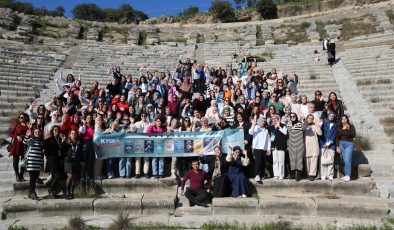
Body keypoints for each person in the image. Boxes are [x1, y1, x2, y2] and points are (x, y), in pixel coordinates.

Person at [43, 125, 65, 198]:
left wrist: (63, 141)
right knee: (56, 175)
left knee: (57, 175)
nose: (56, 131)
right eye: (55, 130)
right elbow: (44, 148)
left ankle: (53, 192)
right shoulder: (49, 139)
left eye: (58, 130)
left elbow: (62, 149)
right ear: (52, 131)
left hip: (59, 160)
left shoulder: (60, 139)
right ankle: (51, 189)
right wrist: (49, 157)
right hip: (52, 160)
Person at [23, 127, 44, 200]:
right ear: (33, 133)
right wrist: (27, 135)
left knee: (35, 177)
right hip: (31, 162)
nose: (37, 133)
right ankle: (33, 193)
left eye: (38, 132)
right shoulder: (32, 140)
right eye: (36, 132)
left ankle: (30, 193)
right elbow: (25, 141)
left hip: (37, 162)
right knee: (32, 178)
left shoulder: (41, 141)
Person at [249, 117, 270, 183]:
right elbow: (250, 132)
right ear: (259, 121)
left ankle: (261, 175)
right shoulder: (256, 127)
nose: (263, 122)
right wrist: (253, 124)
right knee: (258, 161)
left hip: (264, 148)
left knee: (263, 162)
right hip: (257, 148)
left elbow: (268, 140)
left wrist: (268, 149)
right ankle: (257, 175)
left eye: (264, 121)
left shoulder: (266, 130)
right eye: (262, 121)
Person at [63, 129, 83, 199]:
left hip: (76, 162)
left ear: (76, 135)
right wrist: (63, 142)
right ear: (70, 134)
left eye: (75, 133)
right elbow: (62, 150)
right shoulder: (66, 143)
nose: (73, 135)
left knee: (75, 177)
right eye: (72, 133)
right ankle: (67, 192)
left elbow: (81, 153)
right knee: (70, 176)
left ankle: (72, 191)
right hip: (68, 162)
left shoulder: (79, 143)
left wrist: (82, 161)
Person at [9, 113, 29, 182]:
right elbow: (11, 134)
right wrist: (16, 136)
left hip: (25, 144)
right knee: (16, 160)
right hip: (17, 144)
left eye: (22, 117)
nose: (20, 118)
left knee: (24, 161)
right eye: (20, 117)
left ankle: (21, 175)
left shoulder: (28, 125)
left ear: (26, 118)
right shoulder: (17, 125)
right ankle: (17, 175)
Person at [336, 115, 356, 182]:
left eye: (345, 119)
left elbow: (354, 135)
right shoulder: (339, 127)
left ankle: (348, 175)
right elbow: (337, 138)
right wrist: (337, 146)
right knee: (344, 160)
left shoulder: (351, 126)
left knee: (347, 160)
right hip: (341, 144)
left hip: (349, 144)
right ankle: (346, 175)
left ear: (347, 119)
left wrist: (348, 129)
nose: (344, 120)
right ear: (341, 120)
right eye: (342, 119)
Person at [287, 112, 305, 181]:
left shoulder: (300, 124)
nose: (292, 117)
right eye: (291, 117)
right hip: (291, 146)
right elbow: (288, 136)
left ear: (296, 117)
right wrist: (287, 145)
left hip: (300, 145)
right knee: (292, 160)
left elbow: (305, 127)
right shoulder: (288, 125)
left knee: (299, 160)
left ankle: (299, 176)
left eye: (294, 116)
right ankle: (292, 175)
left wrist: (304, 119)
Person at [319, 112, 337, 181]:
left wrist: (330, 142)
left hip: (331, 145)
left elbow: (335, 135)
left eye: (332, 116)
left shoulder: (335, 125)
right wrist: (320, 124)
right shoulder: (324, 123)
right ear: (328, 116)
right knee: (323, 161)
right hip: (323, 144)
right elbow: (320, 132)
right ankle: (323, 175)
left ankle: (330, 175)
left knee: (330, 160)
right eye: (330, 116)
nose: (331, 117)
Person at [269, 114, 287, 180]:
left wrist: (279, 126)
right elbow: (271, 137)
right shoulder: (271, 127)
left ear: (278, 119)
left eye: (275, 118)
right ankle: (276, 175)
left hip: (281, 145)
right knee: (275, 161)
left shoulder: (283, 125)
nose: (274, 120)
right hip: (274, 146)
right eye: (273, 119)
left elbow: (285, 133)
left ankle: (281, 175)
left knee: (281, 161)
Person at [304, 114, 322, 181]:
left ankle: (312, 174)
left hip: (314, 145)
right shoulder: (304, 126)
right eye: (309, 118)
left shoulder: (315, 126)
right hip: (306, 146)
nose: (310, 119)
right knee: (307, 160)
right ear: (307, 118)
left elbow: (320, 133)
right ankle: (308, 173)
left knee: (314, 160)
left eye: (312, 118)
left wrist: (317, 126)